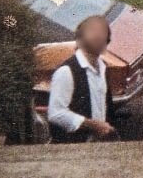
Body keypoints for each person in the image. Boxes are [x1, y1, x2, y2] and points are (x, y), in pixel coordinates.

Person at [47, 15, 117, 143]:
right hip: (73, 150)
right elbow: (56, 114)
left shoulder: (103, 68)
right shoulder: (66, 72)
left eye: (103, 32)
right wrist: (93, 125)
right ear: (79, 40)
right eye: (92, 31)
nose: (98, 36)